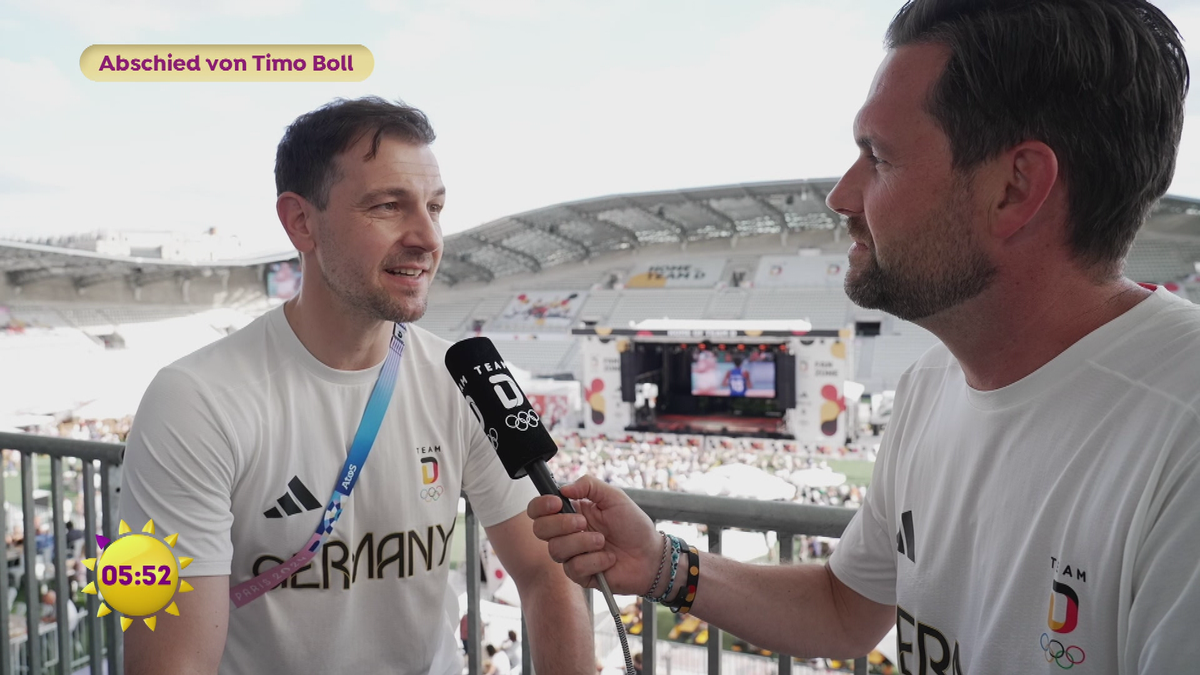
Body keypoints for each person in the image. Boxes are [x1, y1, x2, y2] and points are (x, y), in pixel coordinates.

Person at [529, 1, 1197, 672]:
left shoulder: (1181, 434)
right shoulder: (929, 387)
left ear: (1014, 187)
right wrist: (659, 564)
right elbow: (846, 610)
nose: (842, 196)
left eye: (878, 159)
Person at [120, 97, 593, 674]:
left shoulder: (463, 380)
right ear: (301, 222)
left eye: (435, 207)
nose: (428, 237)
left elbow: (549, 570)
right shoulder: (192, 400)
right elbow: (171, 662)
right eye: (389, 206)